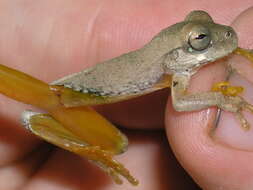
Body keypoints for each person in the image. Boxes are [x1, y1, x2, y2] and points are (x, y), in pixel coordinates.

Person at [0, 1, 253, 189]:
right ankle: (40, 122)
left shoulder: (177, 68)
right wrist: (220, 99)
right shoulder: (178, 73)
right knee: (116, 145)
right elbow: (182, 102)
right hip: (70, 97)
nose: (220, 35)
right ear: (176, 53)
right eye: (200, 39)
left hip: (62, 94)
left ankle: (40, 120)